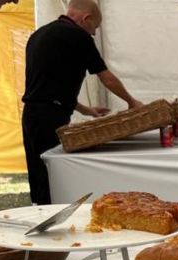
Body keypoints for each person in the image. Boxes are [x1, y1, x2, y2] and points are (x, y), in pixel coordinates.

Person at [22, 0, 142, 205]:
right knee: (54, 172)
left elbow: (47, 86)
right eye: (94, 27)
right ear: (86, 18)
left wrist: (86, 110)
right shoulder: (78, 36)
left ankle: (39, 211)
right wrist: (131, 101)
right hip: (51, 117)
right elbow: (106, 77)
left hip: (32, 113)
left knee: (38, 172)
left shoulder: (39, 34)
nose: (94, 33)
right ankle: (51, 217)